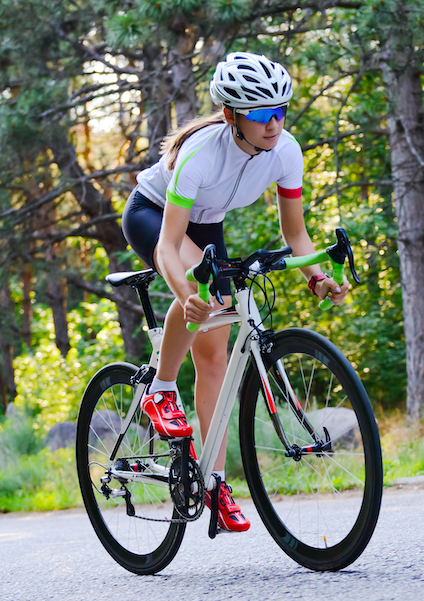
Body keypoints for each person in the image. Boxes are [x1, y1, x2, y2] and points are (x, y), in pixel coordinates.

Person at [121, 52, 350, 533]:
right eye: (262, 113)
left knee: (215, 357)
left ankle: (214, 481)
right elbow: (167, 244)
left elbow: (296, 234)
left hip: (206, 225)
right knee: (205, 303)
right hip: (153, 214)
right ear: (230, 116)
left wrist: (316, 276)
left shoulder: (286, 151)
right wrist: (183, 292)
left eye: (281, 110)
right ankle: (160, 390)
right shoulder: (200, 155)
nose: (275, 123)